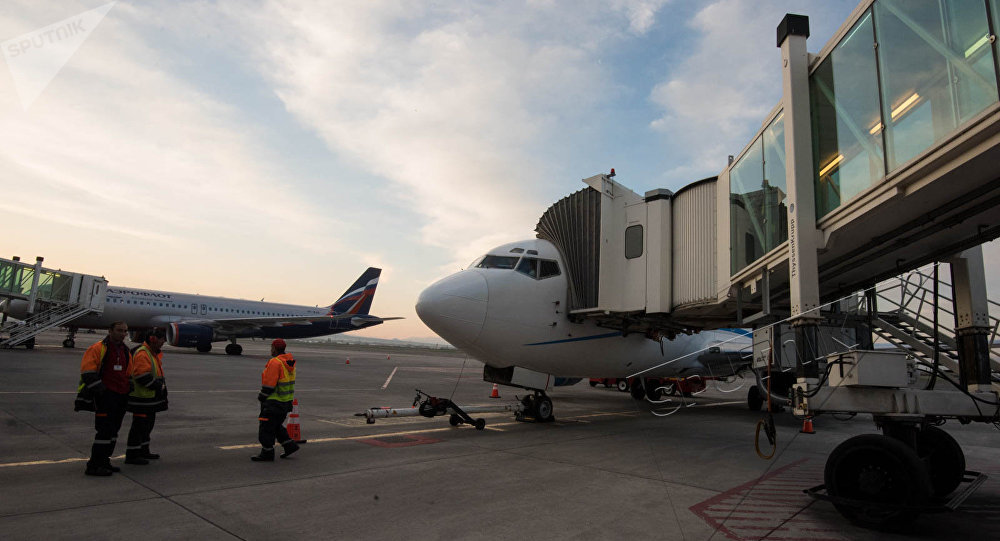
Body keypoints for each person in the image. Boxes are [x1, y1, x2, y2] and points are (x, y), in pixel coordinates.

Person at [75, 321, 131, 476]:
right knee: (104, 433)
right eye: (119, 330)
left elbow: (128, 373)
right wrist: (103, 393)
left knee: (113, 432)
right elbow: (88, 373)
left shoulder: (125, 350)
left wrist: (128, 391)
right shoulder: (98, 348)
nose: (123, 334)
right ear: (110, 331)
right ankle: (94, 465)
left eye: (125, 331)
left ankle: (104, 461)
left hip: (120, 397)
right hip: (106, 398)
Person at [251, 338, 300, 462]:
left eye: (271, 347)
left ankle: (267, 453)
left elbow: (269, 384)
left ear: (274, 348)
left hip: (273, 402)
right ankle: (289, 445)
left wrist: (262, 396)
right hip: (286, 402)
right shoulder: (289, 363)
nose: (270, 350)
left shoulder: (275, 362)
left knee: (266, 428)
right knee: (276, 425)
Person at [125, 327, 168, 465]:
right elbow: (141, 376)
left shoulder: (151, 353)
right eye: (162, 340)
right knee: (139, 427)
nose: (163, 343)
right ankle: (132, 455)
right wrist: (158, 386)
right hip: (142, 399)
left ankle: (144, 450)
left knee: (147, 426)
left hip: (149, 399)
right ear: (153, 339)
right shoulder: (143, 353)